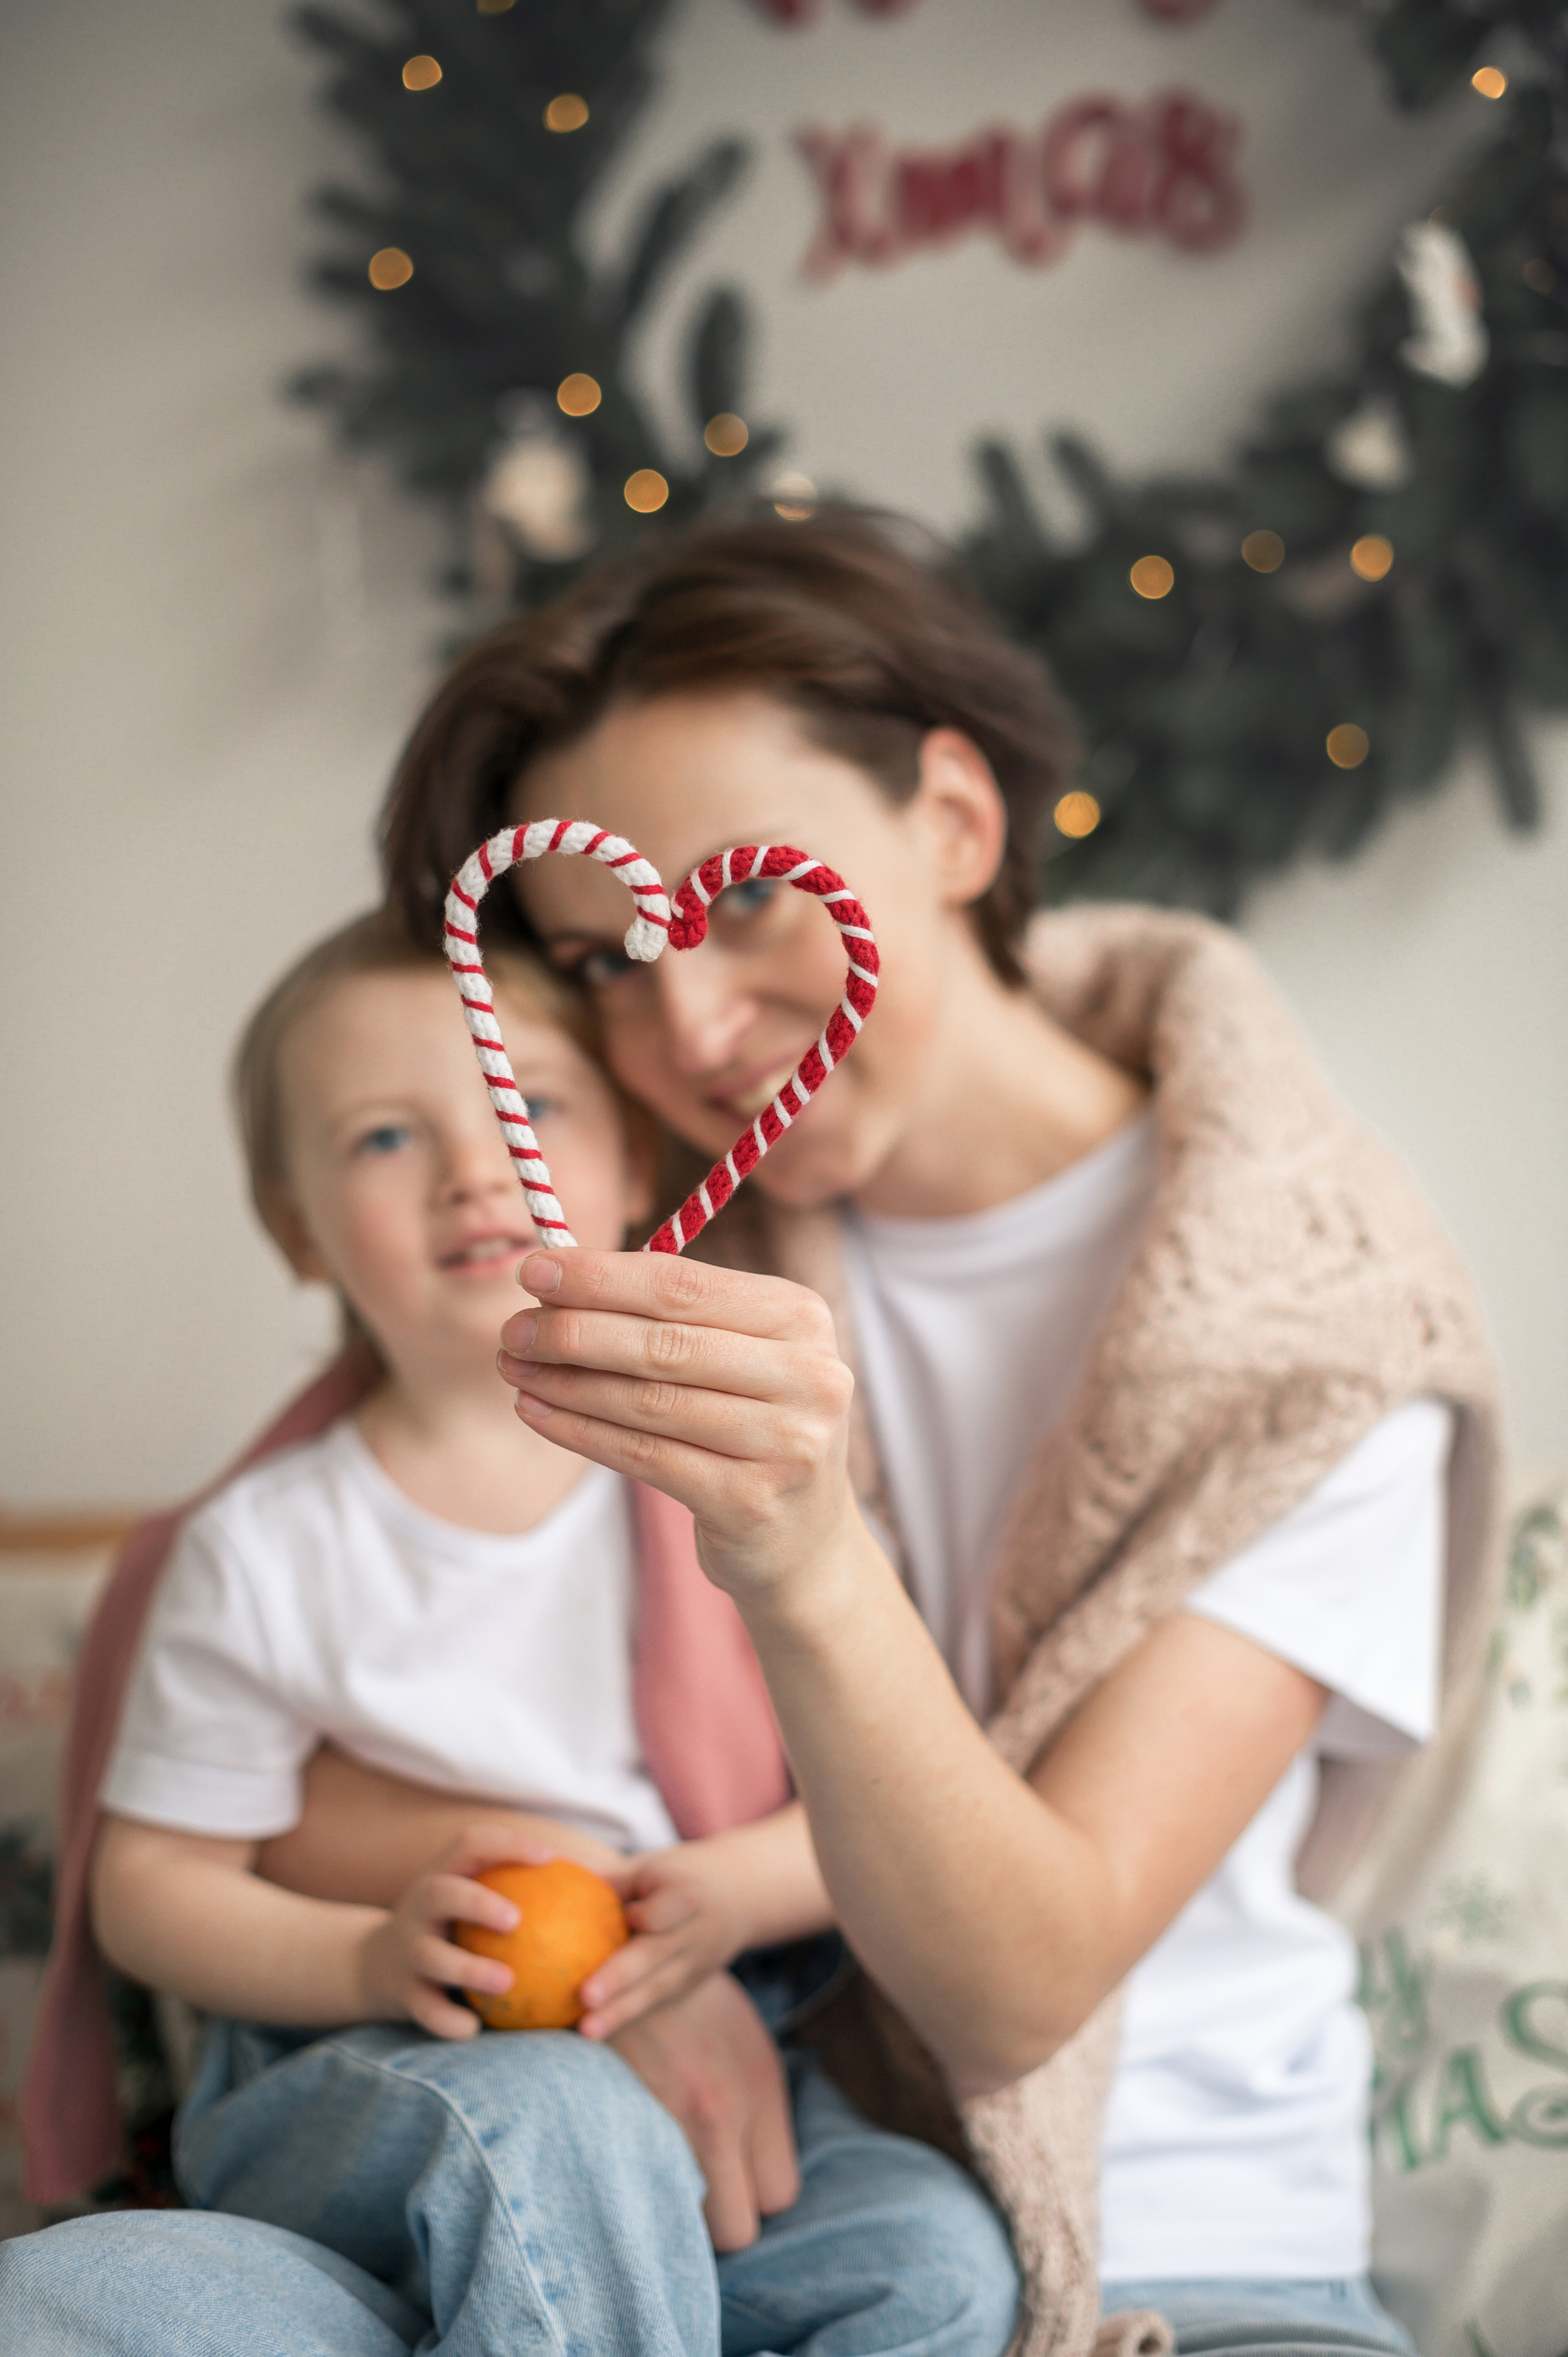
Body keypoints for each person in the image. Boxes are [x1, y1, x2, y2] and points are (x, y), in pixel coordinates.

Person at [13, 506, 1502, 2357]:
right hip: (629, 2139)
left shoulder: (1315, 1333)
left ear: (957, 819)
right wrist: (589, 1970)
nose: (693, 1024)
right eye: (607, 958)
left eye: (741, 900)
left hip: (1160, 2241)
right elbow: (258, 1723)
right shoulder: (638, 1222)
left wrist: (792, 1582)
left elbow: (1018, 1983)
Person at [2, 907, 1019, 2357]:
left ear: (628, 1168)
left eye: (527, 1105)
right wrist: (364, 1961)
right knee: (552, 2121)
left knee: (932, 2263)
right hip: (352, 2064)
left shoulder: (732, 1493)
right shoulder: (265, 1547)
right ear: (296, 1228)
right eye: (382, 1138)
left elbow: (885, 1802)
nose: (476, 1164)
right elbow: (154, 1888)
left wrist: (718, 1891)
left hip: (706, 2056)